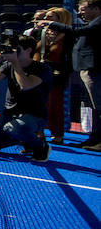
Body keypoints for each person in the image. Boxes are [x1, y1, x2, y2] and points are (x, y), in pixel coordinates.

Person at [0, 35, 53, 161]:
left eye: (17, 49)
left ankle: (40, 147)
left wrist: (15, 63)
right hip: (10, 113)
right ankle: (24, 140)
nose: (13, 52)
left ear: (29, 50)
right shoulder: (8, 65)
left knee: (13, 128)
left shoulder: (42, 68)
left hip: (35, 115)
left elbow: (26, 85)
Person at [42, 0, 101, 151]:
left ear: (96, 9)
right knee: (95, 106)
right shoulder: (93, 22)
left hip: (93, 68)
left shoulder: (98, 22)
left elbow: (78, 31)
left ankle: (98, 140)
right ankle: (94, 139)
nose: (81, 13)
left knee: (98, 106)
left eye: (84, 9)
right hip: (86, 68)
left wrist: (52, 24)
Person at [38, 7, 74, 145]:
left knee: (55, 105)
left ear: (60, 20)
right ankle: (39, 132)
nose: (46, 20)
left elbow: (68, 57)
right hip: (40, 74)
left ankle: (57, 133)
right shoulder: (42, 33)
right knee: (39, 104)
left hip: (57, 76)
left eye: (50, 17)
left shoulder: (68, 36)